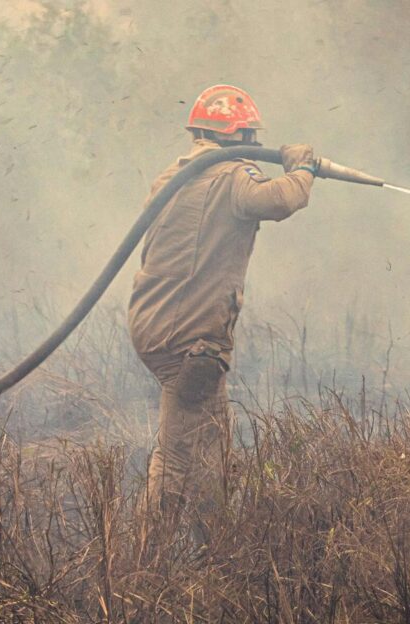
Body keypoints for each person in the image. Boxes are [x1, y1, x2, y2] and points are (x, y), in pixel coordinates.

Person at [128, 84, 316, 524]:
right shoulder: (233, 178)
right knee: (175, 460)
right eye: (252, 136)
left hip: (160, 328)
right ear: (240, 138)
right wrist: (303, 166)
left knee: (213, 446)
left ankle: (216, 547)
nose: (256, 145)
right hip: (189, 341)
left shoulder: (172, 177)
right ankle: (141, 564)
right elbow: (281, 198)